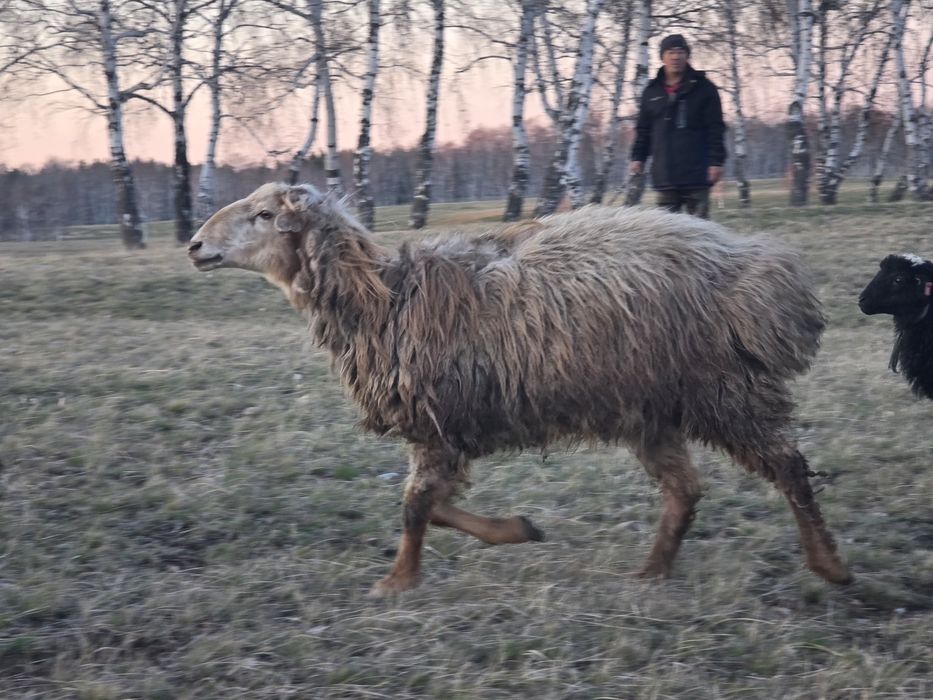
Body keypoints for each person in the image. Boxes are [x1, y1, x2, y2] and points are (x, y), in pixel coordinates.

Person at [629, 34, 726, 219]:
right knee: (666, 232)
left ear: (687, 56)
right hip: (665, 175)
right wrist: (637, 157)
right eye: (671, 52)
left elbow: (716, 128)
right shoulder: (651, 91)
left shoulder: (704, 88)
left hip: (697, 175)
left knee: (700, 230)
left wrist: (716, 162)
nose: (676, 57)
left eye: (680, 52)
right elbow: (643, 130)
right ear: (662, 57)